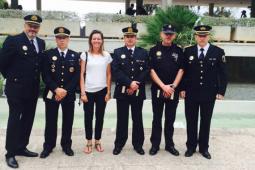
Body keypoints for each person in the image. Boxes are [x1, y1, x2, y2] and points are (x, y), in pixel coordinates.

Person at [0, 15, 45, 168]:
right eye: (30, 25)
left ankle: (21, 147)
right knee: (14, 120)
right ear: (25, 25)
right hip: (16, 88)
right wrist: (13, 78)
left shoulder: (41, 42)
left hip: (32, 90)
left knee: (28, 119)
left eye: (36, 26)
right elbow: (2, 63)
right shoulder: (13, 40)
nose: (33, 29)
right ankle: (10, 153)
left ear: (39, 28)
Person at [180, 25, 227, 159]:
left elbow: (223, 74)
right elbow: (184, 72)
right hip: (191, 92)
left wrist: (221, 91)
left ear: (208, 36)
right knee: (191, 121)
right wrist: (182, 89)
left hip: (209, 93)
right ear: (195, 37)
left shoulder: (218, 52)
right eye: (199, 35)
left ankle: (204, 148)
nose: (202, 38)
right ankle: (190, 147)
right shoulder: (188, 51)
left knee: (206, 121)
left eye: (204, 35)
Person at [40, 27, 80, 158]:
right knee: (51, 121)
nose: (61, 40)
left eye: (64, 38)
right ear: (56, 39)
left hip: (68, 95)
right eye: (59, 37)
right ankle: (48, 146)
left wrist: (65, 90)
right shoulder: (48, 54)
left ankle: (66, 145)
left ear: (69, 39)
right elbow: (45, 75)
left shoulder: (75, 55)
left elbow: (76, 76)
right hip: (52, 93)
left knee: (68, 121)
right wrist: (56, 89)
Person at [111, 26, 149, 155]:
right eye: (127, 36)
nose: (130, 38)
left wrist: (135, 84)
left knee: (137, 118)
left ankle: (138, 145)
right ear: (124, 38)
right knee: (122, 119)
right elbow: (115, 71)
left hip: (138, 90)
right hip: (122, 91)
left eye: (132, 36)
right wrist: (129, 83)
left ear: (136, 38)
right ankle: (119, 144)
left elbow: (146, 70)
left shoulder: (143, 53)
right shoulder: (117, 52)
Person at [148, 24, 184, 156]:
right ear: (161, 34)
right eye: (166, 33)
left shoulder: (179, 51)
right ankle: (155, 145)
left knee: (170, 119)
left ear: (174, 36)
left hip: (173, 90)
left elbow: (181, 69)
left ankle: (169, 145)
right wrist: (163, 86)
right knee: (156, 119)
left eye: (171, 34)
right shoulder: (153, 50)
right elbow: (151, 71)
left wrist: (173, 86)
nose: (168, 36)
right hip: (158, 90)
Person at [80, 30, 112, 154]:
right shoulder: (85, 55)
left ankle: (97, 140)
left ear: (102, 40)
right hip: (88, 91)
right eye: (94, 38)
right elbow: (81, 74)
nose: (96, 41)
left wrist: (108, 91)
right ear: (90, 40)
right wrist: (82, 93)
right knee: (88, 117)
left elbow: (109, 75)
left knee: (100, 117)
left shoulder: (107, 56)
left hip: (102, 90)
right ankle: (89, 141)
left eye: (99, 38)